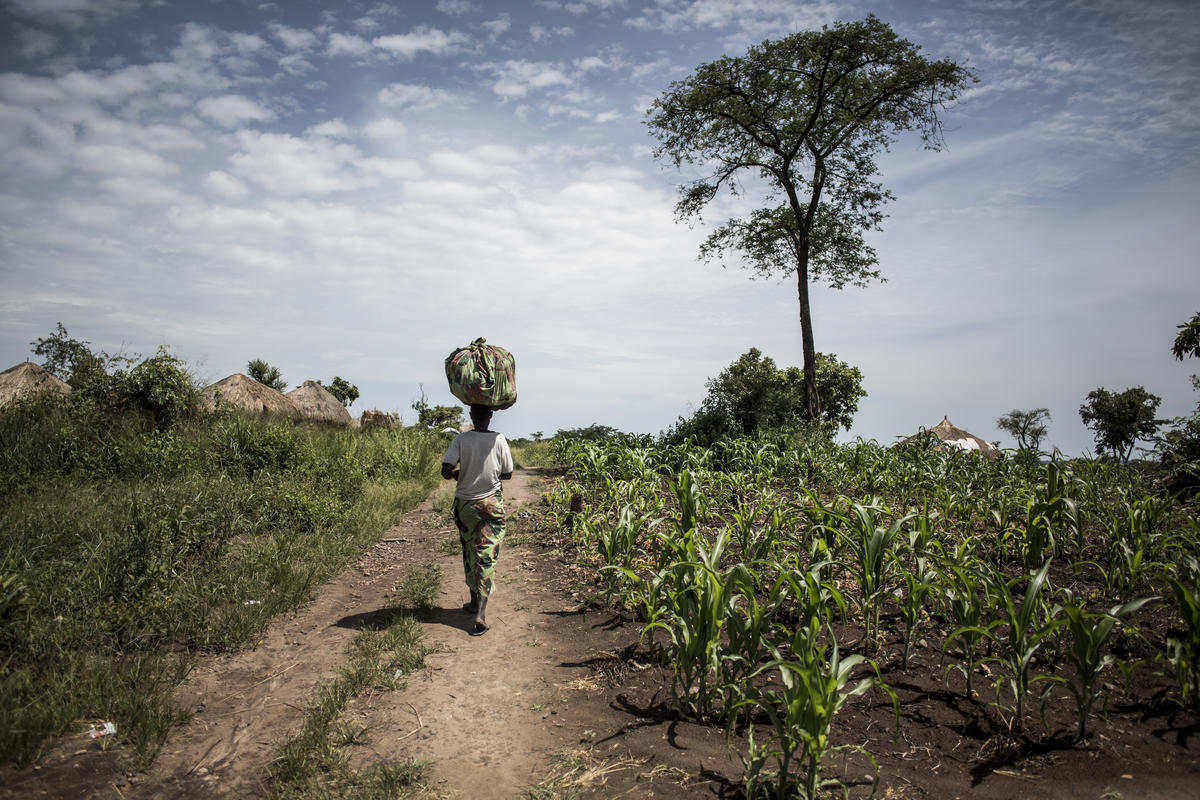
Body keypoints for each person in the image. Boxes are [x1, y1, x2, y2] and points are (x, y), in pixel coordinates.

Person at [441, 404, 513, 636]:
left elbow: (445, 470)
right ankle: (479, 613)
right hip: (490, 504)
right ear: (491, 416)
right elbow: (508, 473)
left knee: (470, 549)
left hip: (465, 505)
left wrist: (459, 473)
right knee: (487, 555)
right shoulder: (499, 439)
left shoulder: (461, 439)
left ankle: (474, 603)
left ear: (471, 415)